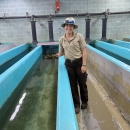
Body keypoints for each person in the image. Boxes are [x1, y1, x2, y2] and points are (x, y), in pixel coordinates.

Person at [56, 17, 88, 114]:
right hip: (69, 64)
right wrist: (59, 54)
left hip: (79, 63)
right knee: (73, 85)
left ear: (73, 27)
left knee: (82, 83)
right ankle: (76, 105)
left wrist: (84, 65)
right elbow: (62, 51)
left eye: (71, 26)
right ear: (64, 27)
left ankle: (85, 101)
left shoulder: (79, 37)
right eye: (67, 26)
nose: (68, 28)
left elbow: (84, 50)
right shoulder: (61, 40)